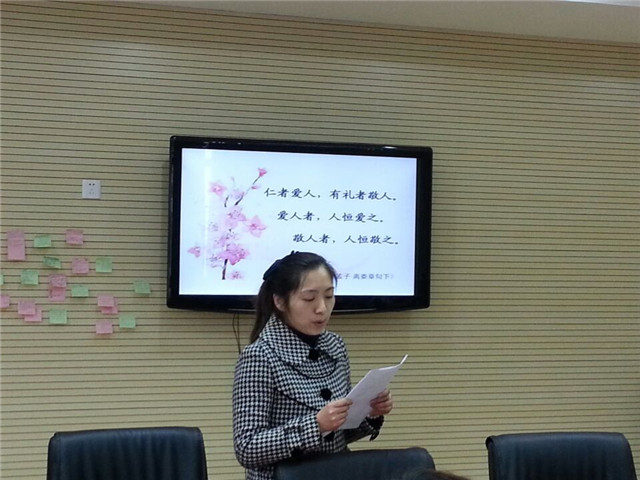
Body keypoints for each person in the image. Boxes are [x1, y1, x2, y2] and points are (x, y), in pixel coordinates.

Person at [232, 251, 393, 480]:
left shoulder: (335, 345)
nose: (322, 308)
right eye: (309, 298)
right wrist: (316, 425)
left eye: (329, 296)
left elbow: (337, 436)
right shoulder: (259, 356)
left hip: (335, 473)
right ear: (280, 301)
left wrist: (369, 413)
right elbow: (247, 448)